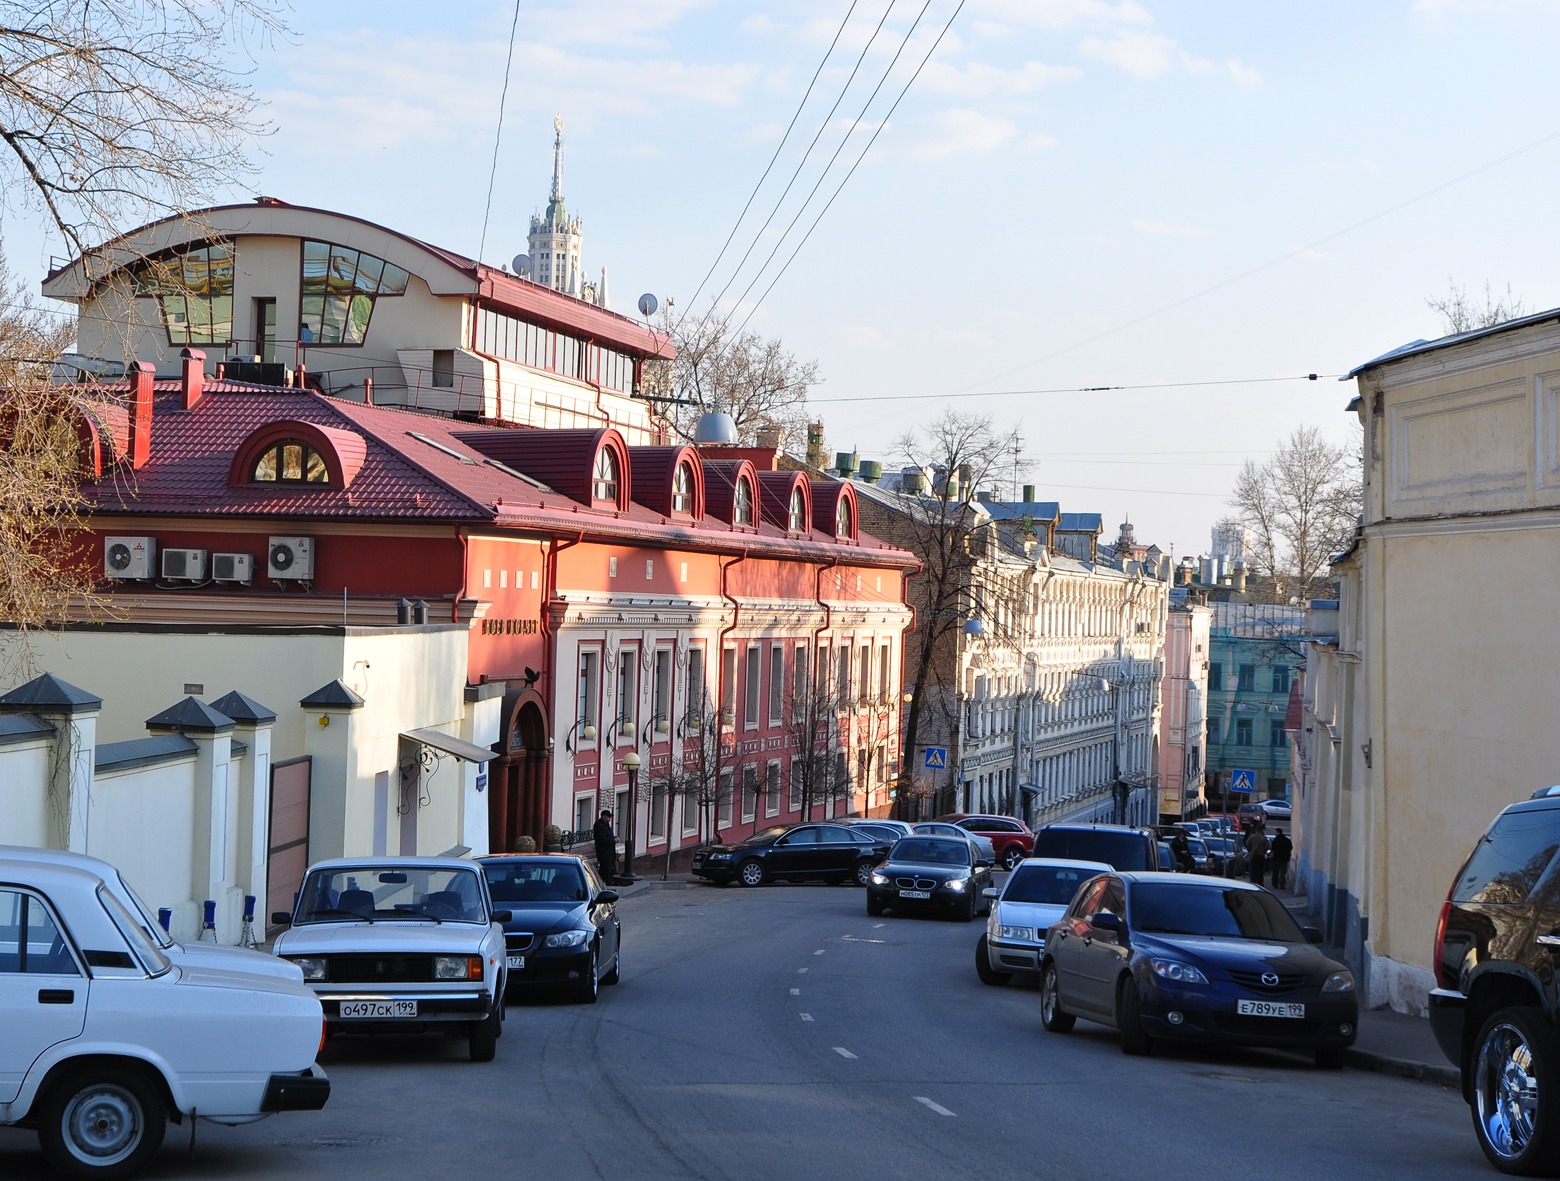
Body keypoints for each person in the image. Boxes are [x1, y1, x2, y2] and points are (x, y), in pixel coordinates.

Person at [593, 809, 618, 882]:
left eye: (610, 817)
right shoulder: (599, 826)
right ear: (603, 817)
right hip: (604, 853)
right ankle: (607, 884)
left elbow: (608, 836)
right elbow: (603, 840)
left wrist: (614, 838)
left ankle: (601, 883)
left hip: (609, 853)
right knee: (606, 871)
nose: (609, 818)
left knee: (604, 871)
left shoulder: (606, 825)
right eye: (608, 816)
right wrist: (613, 840)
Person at [1244, 820, 1268, 887]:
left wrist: (1250, 849)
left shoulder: (1252, 836)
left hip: (1253, 854)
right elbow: (1268, 847)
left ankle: (1253, 881)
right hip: (1261, 855)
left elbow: (1247, 843)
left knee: (1253, 868)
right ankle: (1260, 882)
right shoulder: (1264, 838)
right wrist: (1264, 850)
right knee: (1260, 869)